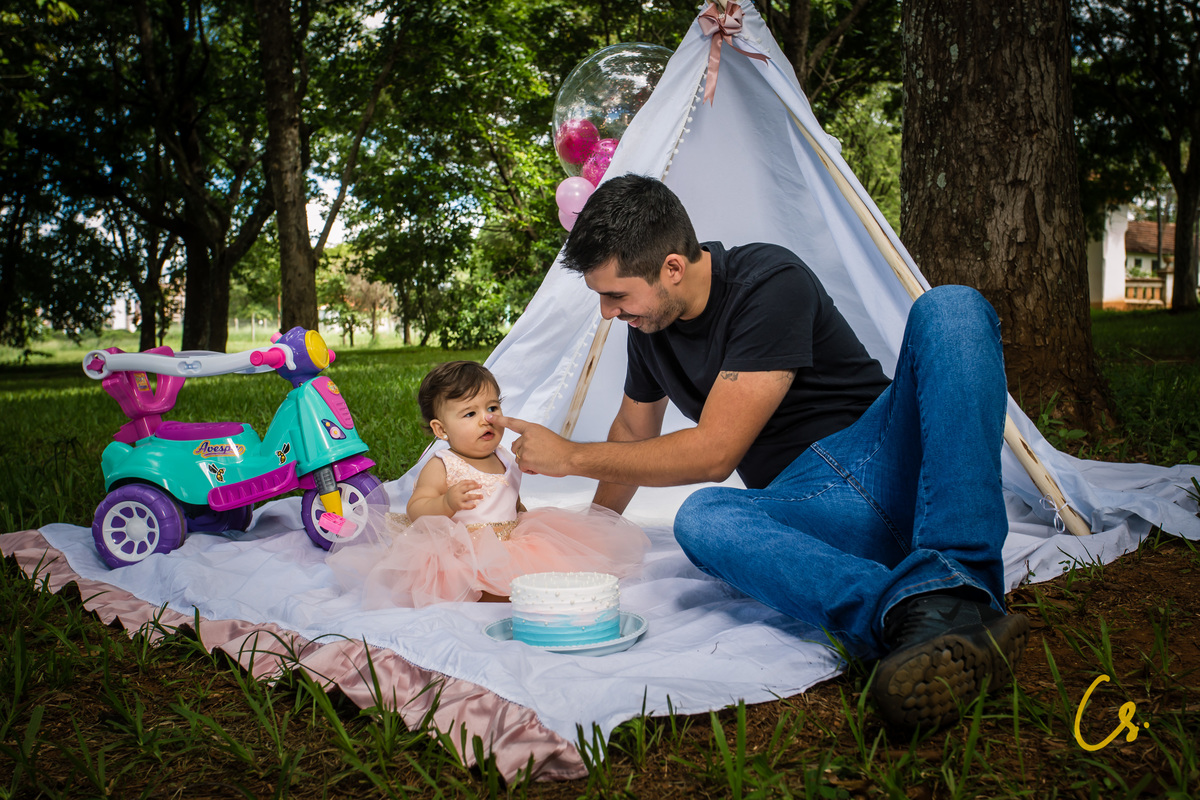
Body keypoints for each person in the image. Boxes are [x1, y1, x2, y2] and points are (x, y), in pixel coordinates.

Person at [490, 174, 1029, 730]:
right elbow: (632, 429)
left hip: (889, 460)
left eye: (616, 295)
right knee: (703, 516)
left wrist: (572, 457)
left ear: (671, 268)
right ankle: (913, 614)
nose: (607, 312)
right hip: (809, 510)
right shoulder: (647, 331)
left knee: (951, 306)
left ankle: (964, 582)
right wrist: (594, 533)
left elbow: (714, 453)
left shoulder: (769, 279)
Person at [327, 361, 649, 608]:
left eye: (492, 407)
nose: (486, 419)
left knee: (548, 572)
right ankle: (490, 596)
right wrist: (446, 503)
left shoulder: (506, 457)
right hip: (462, 548)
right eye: (470, 414)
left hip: (509, 541)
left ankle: (524, 593)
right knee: (482, 589)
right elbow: (416, 509)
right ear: (441, 430)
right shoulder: (443, 465)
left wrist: (523, 516)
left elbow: (511, 500)